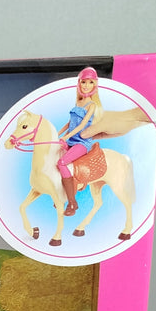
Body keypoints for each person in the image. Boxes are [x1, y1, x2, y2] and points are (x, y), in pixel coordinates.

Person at [56, 67, 103, 216]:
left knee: (62, 163)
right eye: (84, 82)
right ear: (79, 83)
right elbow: (70, 123)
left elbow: (82, 126)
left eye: (90, 82)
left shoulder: (92, 105)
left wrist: (66, 137)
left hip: (81, 143)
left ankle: (72, 202)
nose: (86, 85)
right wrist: (57, 134)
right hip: (70, 139)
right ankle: (60, 193)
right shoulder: (78, 103)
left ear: (94, 85)